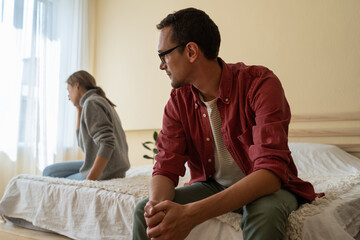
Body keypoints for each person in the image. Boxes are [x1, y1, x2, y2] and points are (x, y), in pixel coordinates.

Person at [132, 8, 322, 240]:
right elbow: (165, 166)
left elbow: (270, 173)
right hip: (213, 185)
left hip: (268, 189)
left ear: (191, 51)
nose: (162, 65)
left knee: (263, 215)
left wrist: (191, 215)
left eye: (164, 55)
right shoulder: (178, 101)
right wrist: (156, 208)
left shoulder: (260, 84)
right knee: (143, 210)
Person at [43, 70, 130, 181]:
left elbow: (107, 143)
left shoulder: (91, 103)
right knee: (49, 171)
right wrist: (79, 109)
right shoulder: (98, 101)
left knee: (52, 178)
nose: (68, 96)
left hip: (107, 170)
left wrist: (90, 180)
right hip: (114, 167)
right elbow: (82, 143)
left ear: (76, 85)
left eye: (69, 90)